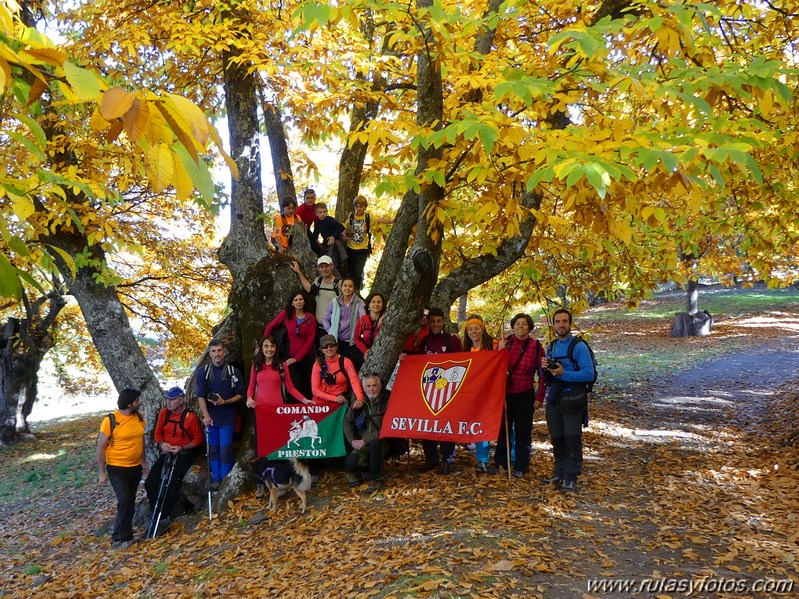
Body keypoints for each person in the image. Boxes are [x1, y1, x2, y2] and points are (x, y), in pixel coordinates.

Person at [246, 335, 313, 498]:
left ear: (276, 348)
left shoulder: (282, 366)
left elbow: (290, 387)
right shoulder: (256, 366)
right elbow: (251, 386)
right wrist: (249, 398)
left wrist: (305, 400)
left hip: (278, 413)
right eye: (266, 346)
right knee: (262, 448)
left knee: (280, 447)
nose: (269, 349)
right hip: (261, 413)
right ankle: (263, 483)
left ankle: (282, 481)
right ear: (261, 348)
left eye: (272, 346)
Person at [541, 309, 594, 492]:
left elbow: (589, 374)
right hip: (555, 399)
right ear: (553, 325)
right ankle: (559, 473)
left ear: (570, 323)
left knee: (572, 438)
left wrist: (564, 374)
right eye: (557, 322)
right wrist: (544, 369)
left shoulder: (579, 346)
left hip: (573, 399)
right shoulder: (552, 346)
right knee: (557, 438)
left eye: (564, 321)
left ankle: (571, 477)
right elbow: (548, 376)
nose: (561, 325)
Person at [493, 313, 546, 478]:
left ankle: (522, 465)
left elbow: (542, 373)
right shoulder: (505, 343)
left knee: (523, 431)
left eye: (524, 324)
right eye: (517, 324)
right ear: (512, 326)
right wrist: (498, 351)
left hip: (525, 394)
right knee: (503, 430)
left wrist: (540, 396)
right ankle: (501, 463)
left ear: (529, 327)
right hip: (504, 394)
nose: (520, 327)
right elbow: (493, 366)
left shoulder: (536, 346)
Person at [144, 387, 203, 532]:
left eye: (172, 399)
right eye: (167, 399)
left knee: (171, 486)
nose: (168, 402)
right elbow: (157, 434)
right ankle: (155, 515)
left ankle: (164, 519)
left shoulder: (191, 417)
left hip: (183, 453)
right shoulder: (164, 413)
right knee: (150, 482)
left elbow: (198, 439)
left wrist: (182, 448)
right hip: (166, 453)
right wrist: (163, 444)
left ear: (181, 400)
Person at [96, 388, 146, 547]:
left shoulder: (139, 417)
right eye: (137, 401)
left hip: (135, 467)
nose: (139, 403)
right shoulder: (110, 420)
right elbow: (101, 446)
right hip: (117, 468)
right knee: (124, 499)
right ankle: (125, 537)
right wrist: (101, 472)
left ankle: (118, 534)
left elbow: (141, 441)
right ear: (129, 403)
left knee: (129, 501)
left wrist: (144, 462)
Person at [417, 307, 463, 474]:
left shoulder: (452, 341)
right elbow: (418, 365)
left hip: (448, 390)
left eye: (439, 321)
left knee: (446, 426)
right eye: (433, 322)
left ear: (443, 321)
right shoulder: (424, 342)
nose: (436, 324)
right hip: (428, 389)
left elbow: (462, 363)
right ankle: (431, 458)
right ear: (428, 323)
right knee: (427, 425)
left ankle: (447, 458)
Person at [196, 338, 245, 490]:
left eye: (219, 350)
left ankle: (225, 479)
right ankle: (216, 479)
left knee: (225, 449)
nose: (217, 354)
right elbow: (201, 396)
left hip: (227, 418)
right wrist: (206, 416)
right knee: (213, 449)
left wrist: (225, 402)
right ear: (209, 354)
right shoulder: (203, 372)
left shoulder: (233, 372)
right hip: (211, 418)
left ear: (224, 352)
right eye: (213, 351)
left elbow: (241, 394)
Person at [460, 315, 498, 473]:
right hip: (476, 393)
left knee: (504, 424)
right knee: (480, 425)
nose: (474, 331)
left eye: (476, 328)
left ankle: (511, 456)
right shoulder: (467, 349)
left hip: (494, 390)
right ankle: (482, 460)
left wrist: (501, 349)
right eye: (470, 329)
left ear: (482, 329)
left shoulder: (493, 344)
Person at [264, 289, 318, 397]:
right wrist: (264, 344)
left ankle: (307, 410)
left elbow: (310, 341)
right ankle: (293, 411)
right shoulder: (287, 314)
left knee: (308, 385)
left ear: (304, 301)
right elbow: (270, 326)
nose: (298, 302)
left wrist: (297, 358)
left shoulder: (311, 318)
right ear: (292, 303)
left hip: (307, 357)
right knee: (294, 384)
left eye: (300, 299)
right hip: (289, 356)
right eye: (296, 300)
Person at [343, 373, 390, 492]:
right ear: (364, 388)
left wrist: (365, 440)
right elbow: (346, 421)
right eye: (368, 386)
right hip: (362, 445)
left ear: (379, 386)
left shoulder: (387, 401)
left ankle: (376, 479)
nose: (371, 389)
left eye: (374, 385)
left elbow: (388, 427)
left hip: (382, 442)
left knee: (374, 443)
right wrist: (352, 440)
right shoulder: (358, 403)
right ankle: (367, 470)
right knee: (350, 464)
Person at [342, 195, 393, 290]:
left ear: (365, 207)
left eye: (361, 206)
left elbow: (379, 220)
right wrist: (345, 234)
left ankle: (356, 289)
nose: (359, 209)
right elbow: (346, 227)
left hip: (362, 249)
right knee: (350, 270)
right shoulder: (351, 216)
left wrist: (391, 221)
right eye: (357, 206)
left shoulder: (368, 216)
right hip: (351, 247)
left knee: (358, 271)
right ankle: (349, 288)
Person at [290, 256, 340, 343]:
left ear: (332, 266)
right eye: (321, 266)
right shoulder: (318, 281)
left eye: (326, 266)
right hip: (319, 328)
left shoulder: (338, 284)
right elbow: (309, 289)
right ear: (318, 268)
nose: (324, 269)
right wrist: (298, 272)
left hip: (334, 328)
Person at [322, 277, 366, 371]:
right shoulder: (334, 302)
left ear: (354, 289)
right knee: (338, 368)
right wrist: (330, 331)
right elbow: (325, 319)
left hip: (351, 342)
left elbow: (363, 317)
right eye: (345, 286)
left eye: (350, 286)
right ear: (341, 288)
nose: (347, 288)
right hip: (336, 341)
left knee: (351, 367)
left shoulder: (359, 302)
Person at [311, 334, 365, 407]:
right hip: (321, 402)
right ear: (322, 350)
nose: (329, 349)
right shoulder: (318, 364)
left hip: (340, 401)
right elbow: (315, 390)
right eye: (325, 347)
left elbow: (354, 381)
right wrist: (334, 398)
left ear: (336, 346)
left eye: (332, 346)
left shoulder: (346, 362)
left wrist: (360, 398)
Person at [309, 202, 347, 269]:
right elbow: (315, 234)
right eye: (320, 212)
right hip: (326, 243)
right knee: (324, 259)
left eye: (324, 211)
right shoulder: (317, 223)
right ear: (316, 213)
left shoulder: (329, 220)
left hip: (335, 241)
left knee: (333, 261)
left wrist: (333, 237)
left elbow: (341, 227)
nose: (323, 214)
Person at [354, 292, 386, 363]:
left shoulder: (386, 319)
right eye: (373, 302)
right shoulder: (362, 320)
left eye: (379, 302)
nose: (376, 304)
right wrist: (365, 351)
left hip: (382, 355)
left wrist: (384, 317)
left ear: (383, 305)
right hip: (363, 354)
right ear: (368, 304)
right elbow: (356, 338)